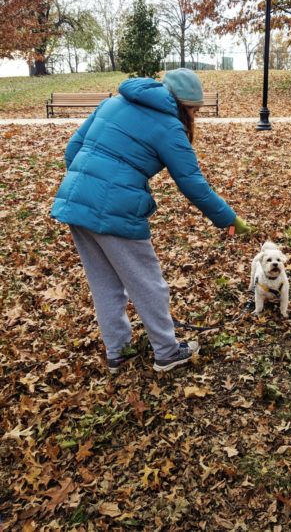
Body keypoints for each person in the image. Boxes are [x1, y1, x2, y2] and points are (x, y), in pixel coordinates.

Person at [51, 69, 251, 374]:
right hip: (116, 208)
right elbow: (193, 184)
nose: (195, 116)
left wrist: (91, 185)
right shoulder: (169, 126)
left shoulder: (113, 103)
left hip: (76, 202)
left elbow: (72, 151)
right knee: (148, 283)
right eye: (194, 110)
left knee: (104, 284)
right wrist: (229, 218)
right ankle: (167, 352)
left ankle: (118, 352)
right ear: (183, 104)